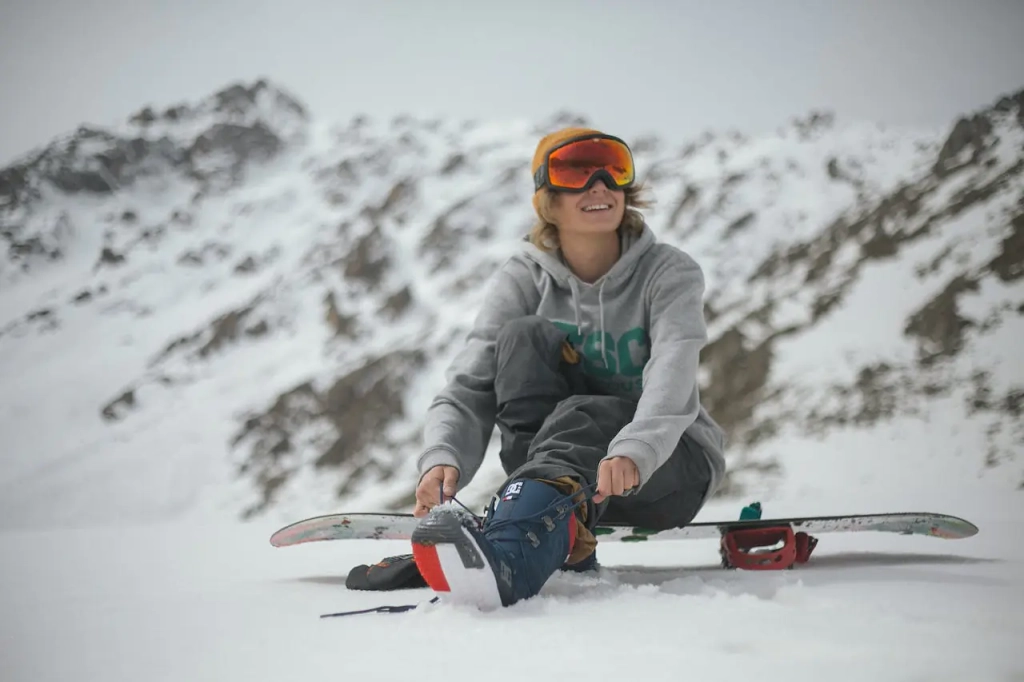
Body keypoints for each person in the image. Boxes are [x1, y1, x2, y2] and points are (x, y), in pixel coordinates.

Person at [347, 127, 727, 607]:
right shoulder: (525, 277)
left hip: (667, 465)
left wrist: (635, 448)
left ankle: (514, 556)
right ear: (547, 198)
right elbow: (470, 383)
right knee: (522, 338)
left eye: (614, 168)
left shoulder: (668, 272)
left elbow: (674, 368)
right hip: (572, 478)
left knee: (586, 412)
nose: (600, 185)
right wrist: (443, 456)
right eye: (576, 171)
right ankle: (541, 527)